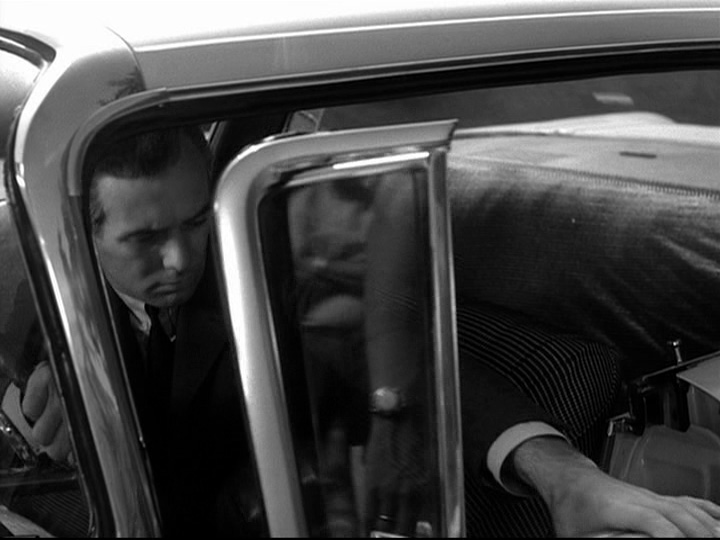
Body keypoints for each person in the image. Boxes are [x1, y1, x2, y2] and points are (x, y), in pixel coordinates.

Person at [6, 126, 720, 537]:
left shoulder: (264, 272)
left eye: (197, 222)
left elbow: (405, 352)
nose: (181, 259)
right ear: (81, 233)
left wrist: (566, 478)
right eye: (144, 238)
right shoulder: (38, 289)